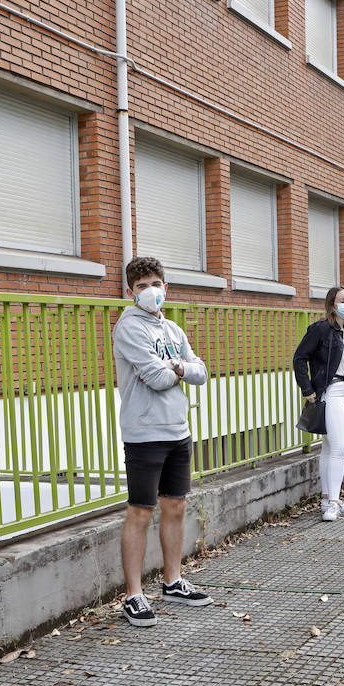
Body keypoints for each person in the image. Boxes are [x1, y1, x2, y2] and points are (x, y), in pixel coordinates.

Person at [112, 256, 213, 627]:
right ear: (130, 292)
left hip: (177, 430)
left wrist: (178, 368)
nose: (150, 291)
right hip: (144, 433)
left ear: (165, 288)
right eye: (141, 287)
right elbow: (155, 378)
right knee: (141, 510)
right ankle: (134, 595)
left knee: (176, 507)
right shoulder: (129, 328)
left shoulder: (172, 329)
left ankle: (173, 581)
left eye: (156, 284)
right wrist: (180, 369)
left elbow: (201, 371)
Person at [293, 287, 344, 521]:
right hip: (331, 390)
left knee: (331, 447)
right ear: (332, 304)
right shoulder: (321, 329)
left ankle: (328, 498)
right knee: (340, 446)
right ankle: (333, 502)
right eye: (343, 300)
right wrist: (308, 390)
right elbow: (299, 357)